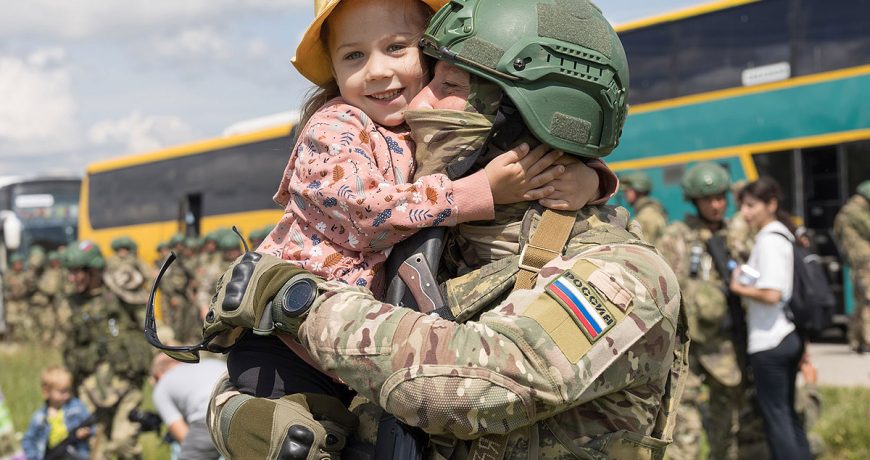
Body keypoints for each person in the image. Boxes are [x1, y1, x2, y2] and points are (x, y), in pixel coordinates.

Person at [200, 1, 688, 458]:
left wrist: (299, 304)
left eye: (448, 87)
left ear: (517, 120)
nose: (415, 103)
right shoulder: (433, 247)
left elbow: (478, 386)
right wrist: (250, 412)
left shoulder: (621, 273)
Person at [658, 162, 766, 460]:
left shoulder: (738, 235)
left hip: (726, 344)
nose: (716, 205)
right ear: (695, 201)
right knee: (683, 425)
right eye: (708, 199)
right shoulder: (676, 236)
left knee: (726, 423)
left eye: (720, 198)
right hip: (687, 347)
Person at [729, 177, 812, 460]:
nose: (746, 213)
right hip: (787, 335)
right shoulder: (783, 236)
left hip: (770, 341)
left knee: (777, 420)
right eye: (743, 206)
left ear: (771, 204)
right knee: (787, 415)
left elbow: (773, 293)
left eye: (752, 206)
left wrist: (737, 286)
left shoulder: (769, 240)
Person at [61, 241, 152, 460]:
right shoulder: (71, 303)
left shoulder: (120, 293)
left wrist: (166, 358)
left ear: (92, 271)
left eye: (77, 273)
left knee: (122, 443)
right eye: (70, 273)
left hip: (125, 380)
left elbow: (150, 324)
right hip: (90, 385)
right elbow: (68, 347)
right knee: (94, 448)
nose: (72, 279)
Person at [150, 353, 225, 460]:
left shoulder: (161, 387)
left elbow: (182, 434)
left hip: (209, 418)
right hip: (243, 407)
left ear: (158, 375)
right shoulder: (211, 363)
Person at [21, 367, 92, 460]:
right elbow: (28, 440)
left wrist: (86, 432)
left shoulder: (76, 407)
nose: (66, 395)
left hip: (75, 454)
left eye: (68, 390)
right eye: (62, 391)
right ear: (46, 392)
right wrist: (34, 457)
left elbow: (90, 424)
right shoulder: (39, 417)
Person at [833, 180, 870, 354]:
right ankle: (867, 339)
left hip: (856, 262)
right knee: (867, 301)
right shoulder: (856, 212)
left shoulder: (845, 212)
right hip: (865, 261)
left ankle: (856, 340)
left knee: (859, 301)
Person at [620, 170, 667, 244]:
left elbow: (644, 245)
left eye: (627, 190)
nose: (625, 194)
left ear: (638, 190)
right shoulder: (648, 211)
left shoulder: (646, 216)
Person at [2, 253, 33, 342]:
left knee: (24, 323)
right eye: (17, 263)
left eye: (20, 263)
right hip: (12, 303)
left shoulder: (25, 275)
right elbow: (5, 289)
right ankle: (10, 341)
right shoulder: (8, 275)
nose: (19, 265)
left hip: (23, 303)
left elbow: (31, 287)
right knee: (11, 323)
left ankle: (23, 341)